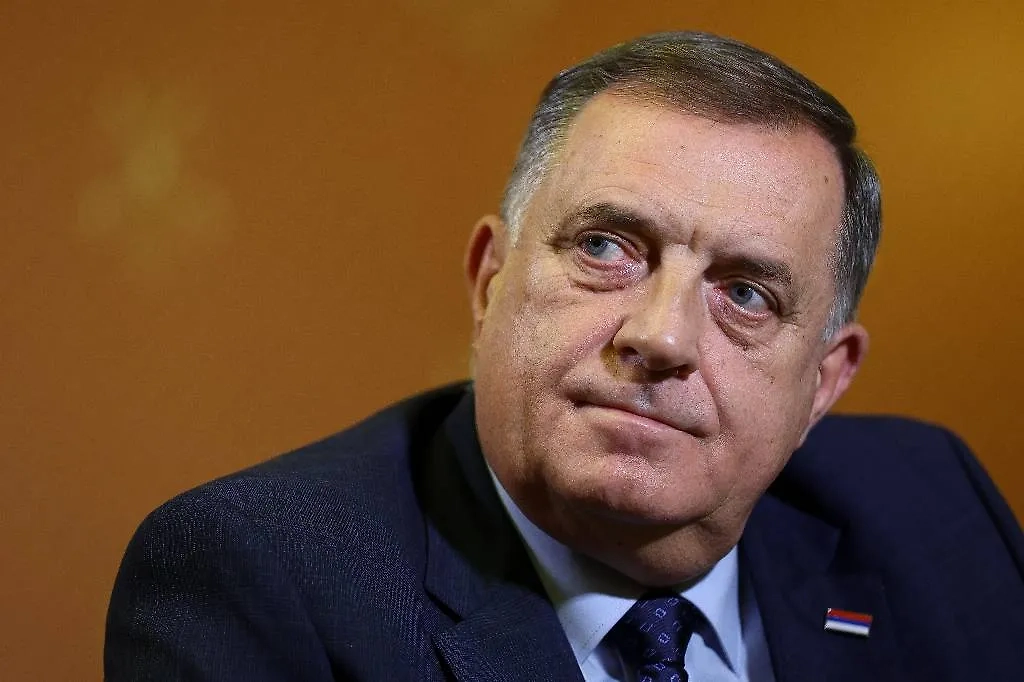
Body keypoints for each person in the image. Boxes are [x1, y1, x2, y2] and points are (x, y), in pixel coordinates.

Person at [105, 31, 1024, 681]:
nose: (661, 337)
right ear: (489, 281)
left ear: (822, 384)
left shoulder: (934, 511)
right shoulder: (261, 577)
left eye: (746, 294)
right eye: (606, 248)